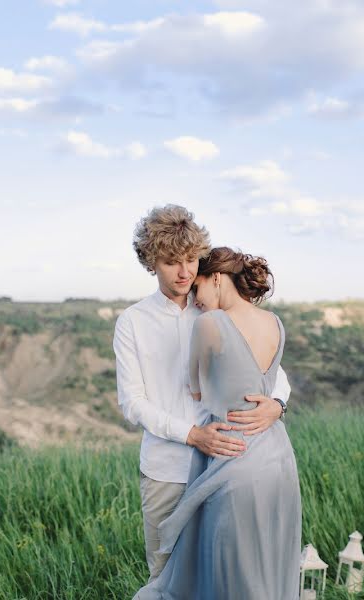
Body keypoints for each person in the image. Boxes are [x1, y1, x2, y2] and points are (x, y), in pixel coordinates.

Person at [114, 205, 292, 585]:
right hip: (169, 470)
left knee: (221, 579)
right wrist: (192, 435)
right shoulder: (133, 322)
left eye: (191, 260)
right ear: (151, 264)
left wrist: (277, 406)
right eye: (171, 262)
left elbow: (273, 373)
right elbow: (133, 402)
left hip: (226, 469)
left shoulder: (216, 309)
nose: (184, 272)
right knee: (166, 579)